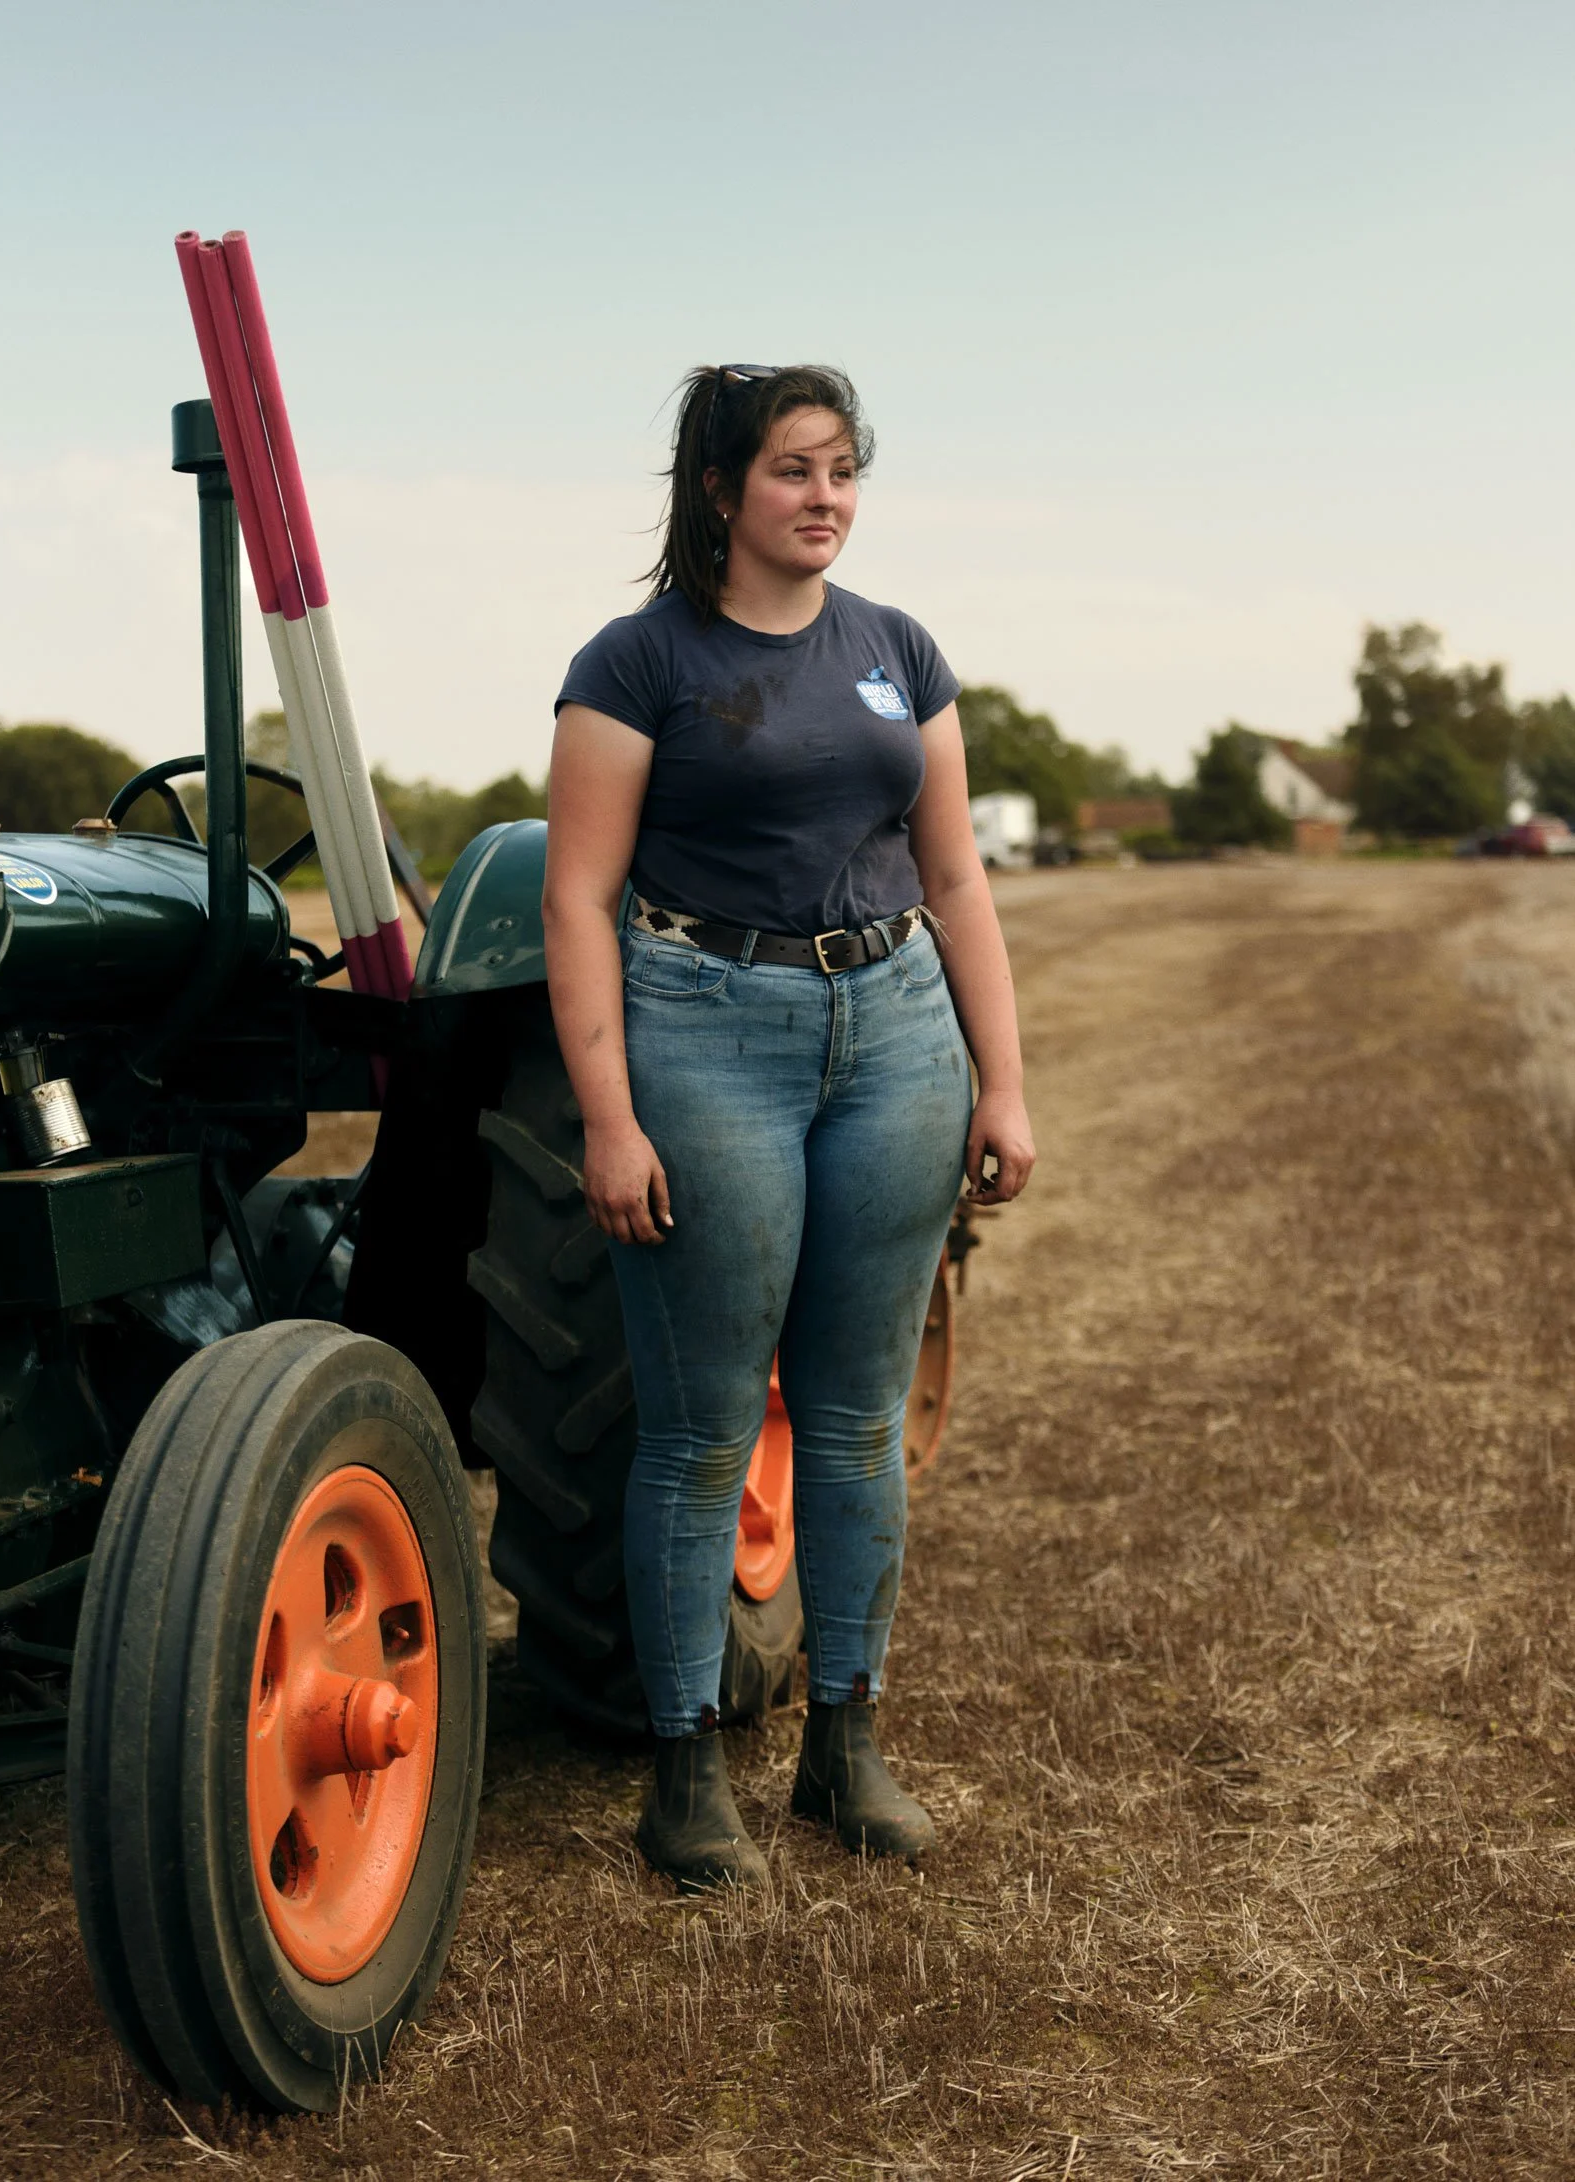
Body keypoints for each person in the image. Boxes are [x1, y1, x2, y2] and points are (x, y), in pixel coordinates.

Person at [543, 364, 1035, 1890]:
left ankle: (844, 1743)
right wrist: (609, 1118)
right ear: (720, 488)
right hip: (707, 1030)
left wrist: (1004, 1081)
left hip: (895, 1034)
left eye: (842, 470)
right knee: (702, 1429)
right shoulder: (638, 661)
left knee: (855, 1417)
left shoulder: (898, 650)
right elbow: (576, 897)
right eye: (792, 470)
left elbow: (954, 878)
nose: (825, 498)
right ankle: (686, 1772)